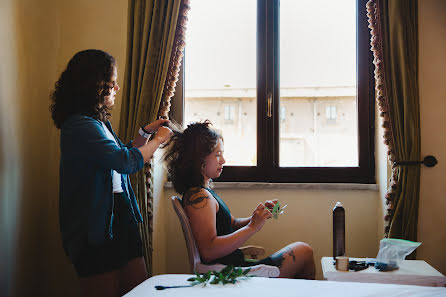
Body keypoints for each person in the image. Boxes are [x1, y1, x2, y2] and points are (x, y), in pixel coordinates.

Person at [50, 49, 173, 297]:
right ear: (96, 85)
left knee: (139, 290)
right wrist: (158, 140)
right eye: (112, 83)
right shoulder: (78, 125)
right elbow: (125, 162)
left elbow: (121, 157)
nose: (116, 89)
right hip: (95, 222)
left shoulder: (98, 123)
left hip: (120, 214)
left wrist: (145, 135)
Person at [163, 120, 315, 279]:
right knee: (304, 251)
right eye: (217, 155)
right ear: (199, 160)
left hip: (234, 266)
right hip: (231, 272)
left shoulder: (203, 193)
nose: (223, 160)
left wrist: (257, 217)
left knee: (302, 251)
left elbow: (232, 224)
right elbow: (208, 252)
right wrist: (252, 228)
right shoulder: (200, 198)